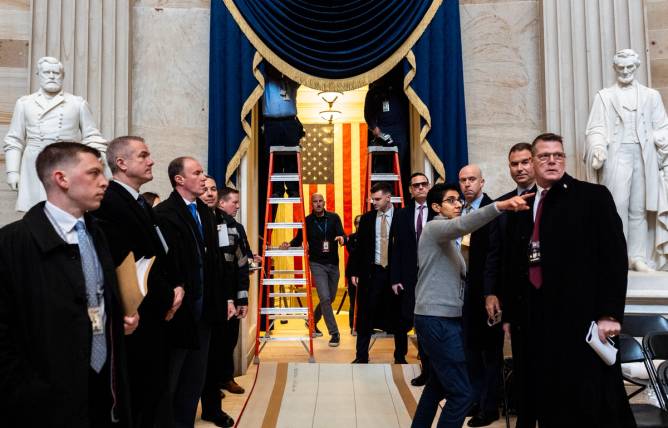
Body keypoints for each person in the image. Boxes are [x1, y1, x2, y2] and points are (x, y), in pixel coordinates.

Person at [0, 142, 138, 427]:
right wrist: (25, 390)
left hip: (101, 382)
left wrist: (117, 318)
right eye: (94, 173)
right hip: (44, 397)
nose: (105, 182)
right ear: (61, 179)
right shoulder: (13, 243)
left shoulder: (96, 233)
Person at [502, 133, 634, 427]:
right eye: (544, 156)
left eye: (558, 155)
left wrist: (610, 313)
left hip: (581, 319)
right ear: (533, 162)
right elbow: (514, 265)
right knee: (547, 402)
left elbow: (614, 258)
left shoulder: (592, 196)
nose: (552, 161)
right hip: (535, 322)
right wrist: (511, 314)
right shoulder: (523, 204)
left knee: (588, 405)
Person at [411, 183, 531, 428]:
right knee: (462, 394)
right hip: (437, 320)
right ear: (435, 207)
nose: (458, 204)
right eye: (451, 200)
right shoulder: (434, 227)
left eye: (459, 201)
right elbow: (462, 225)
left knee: (438, 386)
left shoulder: (447, 240)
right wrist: (499, 206)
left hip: (443, 318)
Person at [93, 136, 184, 428]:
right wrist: (167, 297)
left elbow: (159, 253)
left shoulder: (139, 204)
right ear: (121, 163)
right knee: (141, 399)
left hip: (155, 314)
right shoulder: (110, 202)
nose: (151, 160)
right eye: (143, 155)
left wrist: (173, 291)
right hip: (137, 318)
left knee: (156, 395)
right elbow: (125, 262)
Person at [154, 157, 235, 428]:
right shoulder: (165, 213)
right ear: (179, 179)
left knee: (194, 380)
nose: (203, 178)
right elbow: (165, 265)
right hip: (180, 313)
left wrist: (225, 298)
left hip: (205, 312)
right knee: (171, 381)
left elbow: (214, 262)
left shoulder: (205, 212)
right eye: (197, 173)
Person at [585, 48, 668, 272]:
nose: (625, 71)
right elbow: (595, 128)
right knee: (617, 205)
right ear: (615, 68)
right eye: (621, 68)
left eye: (630, 67)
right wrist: (599, 148)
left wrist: (658, 141)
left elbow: (663, 127)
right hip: (617, 155)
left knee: (639, 209)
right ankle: (616, 255)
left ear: (636, 67)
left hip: (644, 155)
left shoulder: (651, 96)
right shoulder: (604, 96)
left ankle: (637, 256)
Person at [3, 56, 107, 212]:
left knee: (67, 209)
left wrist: (99, 163)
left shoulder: (77, 103)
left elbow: (92, 136)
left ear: (62, 76)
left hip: (68, 161)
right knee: (37, 213)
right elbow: (14, 139)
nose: (51, 76)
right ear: (39, 75)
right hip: (34, 163)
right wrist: (13, 171)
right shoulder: (25, 103)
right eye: (47, 72)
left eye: (56, 72)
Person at [482, 143, 536, 421]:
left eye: (525, 162)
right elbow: (494, 254)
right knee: (523, 369)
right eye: (515, 164)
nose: (520, 168)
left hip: (548, 301)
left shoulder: (549, 200)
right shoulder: (501, 205)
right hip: (515, 303)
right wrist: (490, 293)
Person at [199, 178, 247, 428]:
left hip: (223, 295)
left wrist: (239, 296)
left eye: (213, 189)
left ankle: (217, 392)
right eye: (204, 189)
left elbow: (239, 261)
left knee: (224, 343)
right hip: (198, 298)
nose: (209, 193)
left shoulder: (228, 224)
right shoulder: (190, 218)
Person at [457, 165, 503, 427]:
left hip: (486, 295)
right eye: (463, 180)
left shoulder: (492, 211)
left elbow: (495, 255)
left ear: (482, 182)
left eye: (472, 179)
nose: (467, 185)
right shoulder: (459, 211)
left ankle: (489, 407)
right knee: (470, 351)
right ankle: (474, 400)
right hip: (463, 293)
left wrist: (492, 293)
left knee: (489, 354)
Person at [281, 193, 346, 347]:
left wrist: (342, 238)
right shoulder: (307, 221)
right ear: (312, 204)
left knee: (329, 298)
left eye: (320, 201)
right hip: (316, 264)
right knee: (324, 297)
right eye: (315, 201)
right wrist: (288, 244)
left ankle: (312, 323)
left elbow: (341, 234)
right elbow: (298, 240)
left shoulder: (334, 218)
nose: (318, 204)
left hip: (333, 264)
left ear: (324, 202)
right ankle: (334, 333)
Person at [389, 172, 432, 375]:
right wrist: (395, 278)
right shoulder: (401, 215)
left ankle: (426, 360)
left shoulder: (437, 212)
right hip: (407, 274)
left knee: (426, 319)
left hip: (431, 274)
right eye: (416, 185)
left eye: (424, 184)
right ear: (410, 190)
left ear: (429, 186)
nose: (421, 188)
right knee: (403, 316)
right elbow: (395, 249)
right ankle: (399, 355)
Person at [350, 182, 396, 363]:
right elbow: (359, 248)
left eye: (377, 199)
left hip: (394, 273)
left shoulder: (400, 216)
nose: (374, 202)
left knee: (398, 316)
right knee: (365, 315)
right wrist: (354, 271)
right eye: (372, 199)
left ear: (388, 197)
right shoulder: (368, 219)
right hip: (372, 272)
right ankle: (361, 356)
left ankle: (400, 356)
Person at [364, 65, 410, 195]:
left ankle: (395, 194)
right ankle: (382, 194)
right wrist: (374, 127)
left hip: (399, 131)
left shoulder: (399, 89)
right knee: (382, 168)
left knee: (398, 166)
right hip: (382, 131)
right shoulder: (373, 92)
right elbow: (367, 113)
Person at [263, 64, 304, 198]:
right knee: (274, 158)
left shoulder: (292, 80)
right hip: (271, 123)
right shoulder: (266, 81)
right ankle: (277, 190)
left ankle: (293, 189)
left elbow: (301, 76)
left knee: (291, 157)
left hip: (290, 122)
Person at [345, 214, 362, 335]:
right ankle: (353, 326)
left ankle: (363, 326)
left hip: (365, 273)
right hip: (352, 272)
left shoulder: (370, 237)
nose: (359, 225)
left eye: (361, 222)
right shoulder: (351, 237)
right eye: (357, 222)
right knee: (353, 301)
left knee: (365, 301)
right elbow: (353, 252)